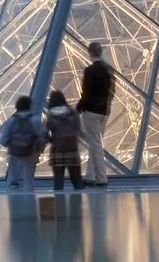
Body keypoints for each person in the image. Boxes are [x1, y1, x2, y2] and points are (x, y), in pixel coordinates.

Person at [76, 41, 117, 185]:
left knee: (95, 144)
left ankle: (101, 178)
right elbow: (112, 93)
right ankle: (90, 177)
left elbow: (86, 94)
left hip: (91, 111)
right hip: (105, 111)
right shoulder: (110, 70)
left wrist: (78, 109)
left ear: (90, 53)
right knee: (95, 143)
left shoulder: (90, 71)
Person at [0, 94, 43, 191]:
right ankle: (29, 198)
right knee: (29, 178)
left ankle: (14, 194)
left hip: (14, 151)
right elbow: (41, 136)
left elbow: (4, 138)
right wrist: (40, 149)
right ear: (30, 105)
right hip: (31, 151)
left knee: (14, 178)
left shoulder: (12, 120)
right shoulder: (36, 119)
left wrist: (6, 144)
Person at [44, 90, 85, 193]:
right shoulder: (73, 113)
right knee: (77, 180)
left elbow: (46, 133)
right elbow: (78, 128)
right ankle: (79, 206)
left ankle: (59, 205)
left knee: (58, 181)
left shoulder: (50, 115)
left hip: (57, 150)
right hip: (72, 149)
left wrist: (52, 140)